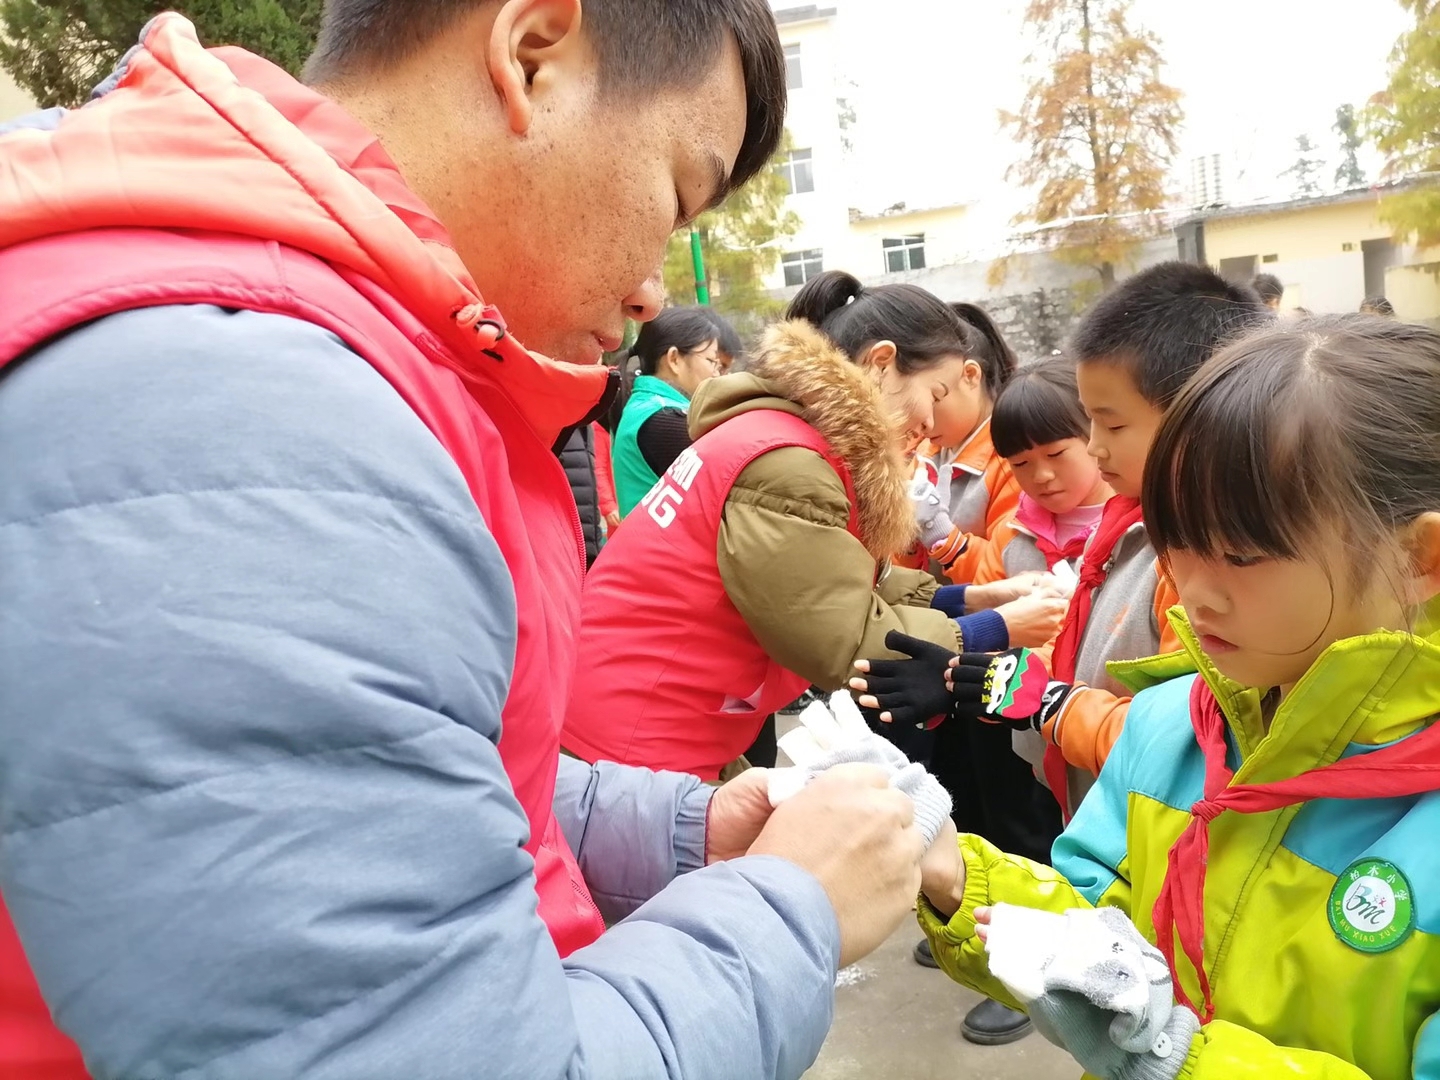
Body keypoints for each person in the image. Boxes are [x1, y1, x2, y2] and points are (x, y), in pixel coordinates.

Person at [0, 5, 930, 1078]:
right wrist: (794, 905)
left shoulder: (314, 358)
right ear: (531, 53)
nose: (651, 293)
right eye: (675, 196)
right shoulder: (243, 420)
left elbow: (426, 779)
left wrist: (684, 830)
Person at [911, 313, 1440, 1080]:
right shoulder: (1171, 724)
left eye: (1240, 554)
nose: (1192, 592)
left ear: (1419, 559)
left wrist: (1174, 1056)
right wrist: (955, 875)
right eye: (1176, 542)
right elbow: (1093, 927)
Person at [564, 270, 1066, 781]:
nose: (932, 423)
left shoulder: (779, 435)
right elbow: (847, 638)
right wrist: (1000, 627)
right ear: (881, 363)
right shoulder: (789, 463)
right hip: (638, 730)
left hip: (640, 708)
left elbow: (837, 579)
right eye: (934, 394)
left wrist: (976, 598)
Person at [859, 263, 1271, 820]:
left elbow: (1190, 742)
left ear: (1204, 411)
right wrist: (975, 676)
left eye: (1112, 425)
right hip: (1097, 809)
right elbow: (1073, 649)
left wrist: (1046, 702)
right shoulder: (1127, 528)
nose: (1095, 448)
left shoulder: (1206, 562)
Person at [905, 302, 1023, 586]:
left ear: (970, 375)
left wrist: (946, 539)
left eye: (934, 398)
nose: (922, 419)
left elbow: (1012, 573)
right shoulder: (923, 453)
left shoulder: (1016, 460)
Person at [612, 305, 734, 515]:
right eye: (712, 361)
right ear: (674, 359)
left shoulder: (647, 407)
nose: (716, 374)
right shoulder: (665, 419)